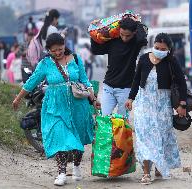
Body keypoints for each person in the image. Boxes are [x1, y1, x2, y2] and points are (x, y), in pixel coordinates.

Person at [12, 33, 101, 186]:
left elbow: (85, 80)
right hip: (55, 106)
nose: (58, 53)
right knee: (60, 137)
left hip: (77, 105)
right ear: (49, 50)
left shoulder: (76, 59)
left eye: (60, 49)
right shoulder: (45, 63)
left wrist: (93, 99)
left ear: (64, 45)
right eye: (54, 51)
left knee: (77, 137)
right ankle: (61, 173)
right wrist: (18, 98)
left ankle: (77, 166)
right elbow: (32, 81)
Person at [125, 33, 187, 185]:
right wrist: (130, 98)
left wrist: (182, 104)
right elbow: (136, 79)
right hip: (144, 103)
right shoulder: (144, 58)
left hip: (162, 105)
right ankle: (146, 173)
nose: (159, 50)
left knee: (161, 138)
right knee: (144, 138)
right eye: (157, 47)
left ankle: (160, 166)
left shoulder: (171, 61)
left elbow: (181, 82)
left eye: (163, 49)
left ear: (168, 49)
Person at [91, 16, 148, 116]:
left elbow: (142, 36)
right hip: (108, 86)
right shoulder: (112, 41)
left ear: (134, 33)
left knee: (122, 122)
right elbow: (96, 50)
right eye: (122, 34)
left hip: (126, 89)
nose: (125, 38)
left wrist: (135, 21)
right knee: (104, 118)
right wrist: (93, 31)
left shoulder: (136, 43)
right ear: (118, 31)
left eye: (128, 36)